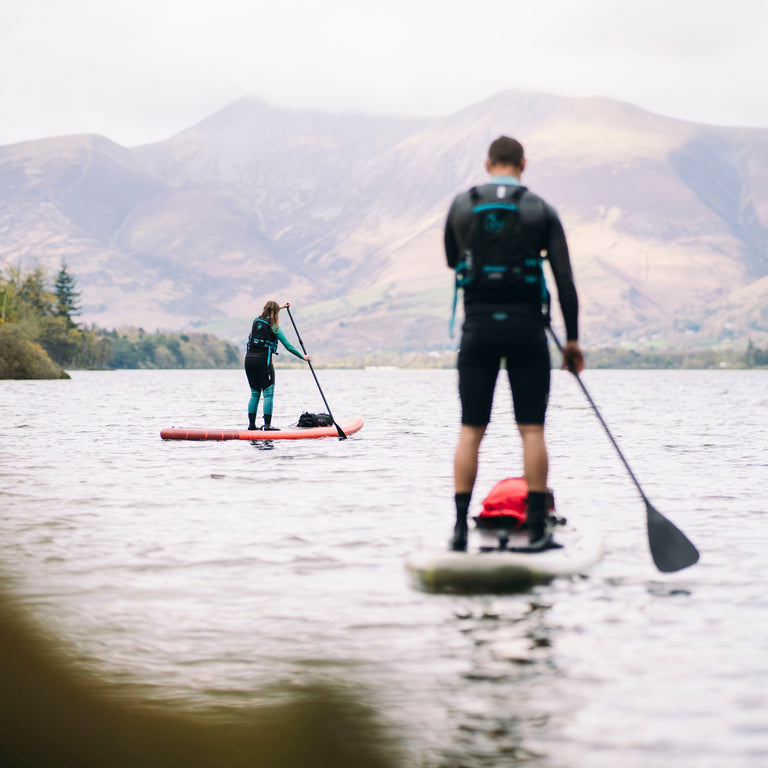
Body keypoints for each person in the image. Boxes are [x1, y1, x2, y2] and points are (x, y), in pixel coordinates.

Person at [444, 136, 584, 551]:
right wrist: (572, 341)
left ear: (488, 164)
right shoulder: (540, 209)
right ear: (523, 164)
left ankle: (459, 531)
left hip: (478, 329)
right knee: (532, 429)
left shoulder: (462, 205)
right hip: (527, 330)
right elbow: (565, 281)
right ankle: (538, 530)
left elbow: (453, 260)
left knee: (471, 430)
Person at [244, 300, 310, 430]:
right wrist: (303, 357)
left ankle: (251, 426)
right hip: (263, 362)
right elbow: (288, 346)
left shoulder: (255, 321)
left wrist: (281, 307)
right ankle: (267, 425)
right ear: (275, 313)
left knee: (255, 394)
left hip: (248, 361)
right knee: (268, 394)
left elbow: (269, 311)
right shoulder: (274, 327)